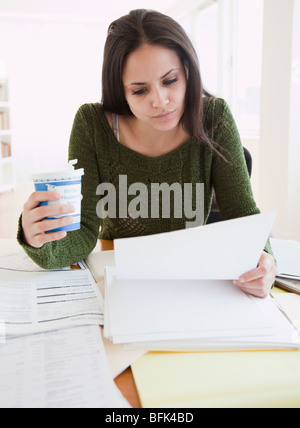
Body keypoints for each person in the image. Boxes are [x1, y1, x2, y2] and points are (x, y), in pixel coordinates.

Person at [18, 9, 277, 298]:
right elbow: (84, 231)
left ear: (188, 71)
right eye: (140, 90)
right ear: (120, 89)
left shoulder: (216, 117)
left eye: (170, 81)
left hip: (192, 281)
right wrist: (40, 240)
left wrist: (263, 260)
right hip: (118, 279)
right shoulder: (92, 125)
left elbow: (242, 215)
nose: (160, 101)